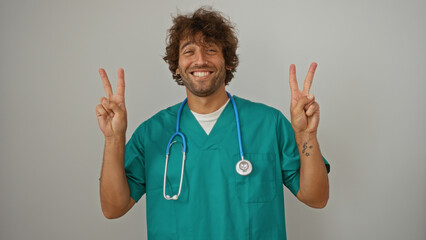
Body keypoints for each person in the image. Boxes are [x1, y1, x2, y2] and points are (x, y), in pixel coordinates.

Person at [96, 7, 330, 240]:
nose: (200, 60)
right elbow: (113, 208)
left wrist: (306, 135)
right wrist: (113, 139)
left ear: (227, 61)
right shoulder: (152, 133)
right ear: (177, 65)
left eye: (211, 50)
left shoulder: (269, 124)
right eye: (189, 51)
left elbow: (316, 198)